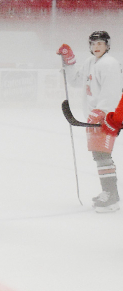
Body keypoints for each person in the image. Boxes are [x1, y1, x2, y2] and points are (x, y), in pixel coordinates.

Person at [59, 31, 123, 212]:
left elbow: (112, 92)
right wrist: (69, 62)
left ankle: (111, 196)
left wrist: (101, 112)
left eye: (100, 44)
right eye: (93, 44)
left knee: (102, 154)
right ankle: (110, 193)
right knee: (99, 154)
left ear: (107, 46)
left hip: (106, 118)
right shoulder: (90, 62)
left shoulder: (109, 64)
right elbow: (75, 81)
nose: (96, 48)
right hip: (94, 117)